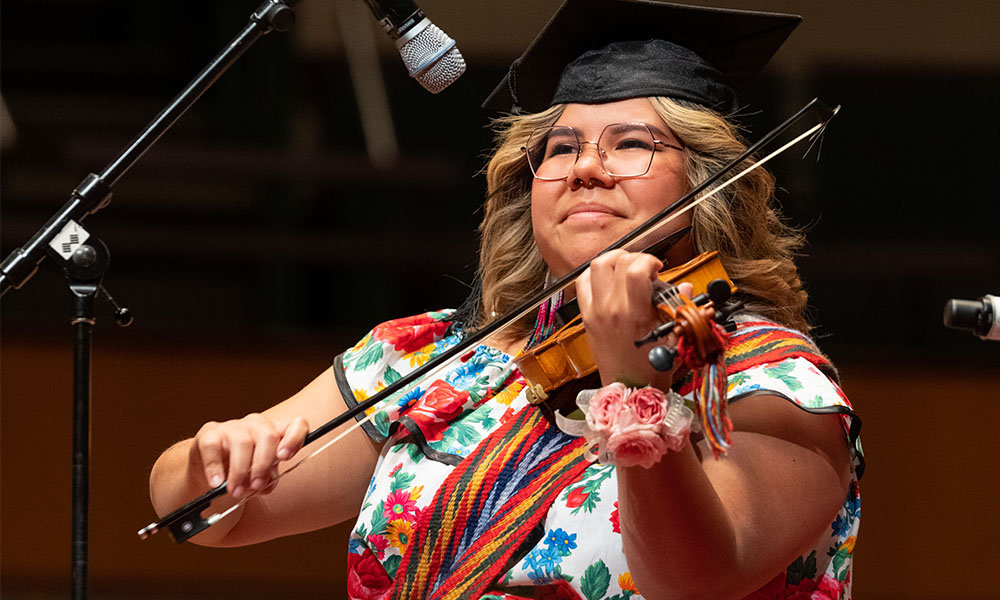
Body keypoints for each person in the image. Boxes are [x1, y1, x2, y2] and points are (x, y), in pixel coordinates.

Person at [149, 1, 864, 598]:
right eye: (559, 149)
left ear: (706, 183)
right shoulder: (427, 357)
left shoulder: (771, 380)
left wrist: (633, 391)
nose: (586, 167)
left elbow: (697, 579)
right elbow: (203, 514)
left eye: (631, 145)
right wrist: (215, 457)